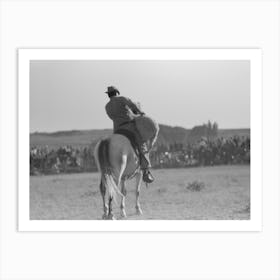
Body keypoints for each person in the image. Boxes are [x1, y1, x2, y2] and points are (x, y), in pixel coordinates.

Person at [104, 86, 154, 183]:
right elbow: (132, 105)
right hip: (129, 128)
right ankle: (146, 172)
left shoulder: (107, 106)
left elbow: (111, 116)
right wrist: (140, 112)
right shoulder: (122, 99)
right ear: (116, 92)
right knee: (141, 144)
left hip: (117, 131)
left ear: (109, 95)